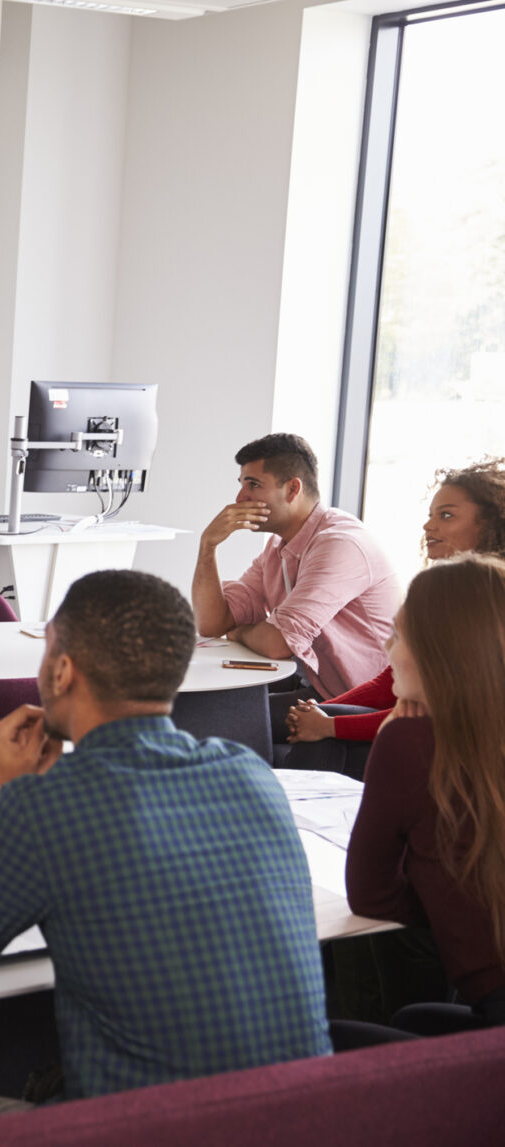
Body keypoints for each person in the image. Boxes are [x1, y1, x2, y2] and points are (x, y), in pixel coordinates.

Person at [0, 570, 330, 1128]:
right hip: (303, 1119)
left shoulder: (41, 807)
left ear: (61, 670)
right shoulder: (250, 775)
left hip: (142, 1130)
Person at [346, 554, 505, 1033]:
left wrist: (444, 902)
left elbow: (371, 896)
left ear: (439, 649)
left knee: (333, 1041)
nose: (388, 649)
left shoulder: (412, 743)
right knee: (416, 1019)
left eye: (398, 634)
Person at [286, 457, 505, 777]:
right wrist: (320, 714)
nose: (429, 527)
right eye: (430, 516)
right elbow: (388, 683)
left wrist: (329, 726)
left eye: (446, 516)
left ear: (490, 524)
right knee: (312, 729)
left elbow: (437, 714)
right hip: (421, 727)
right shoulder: (440, 591)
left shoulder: (484, 602)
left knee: (320, 737)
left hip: (462, 750)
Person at [191, 433, 400, 742]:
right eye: (242, 484)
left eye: (253, 485)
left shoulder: (339, 544)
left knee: (214, 720)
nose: (240, 498)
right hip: (315, 687)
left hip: (360, 703)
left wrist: (238, 632)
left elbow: (277, 644)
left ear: (292, 489)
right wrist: (208, 546)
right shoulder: (277, 547)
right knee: (201, 705)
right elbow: (211, 623)